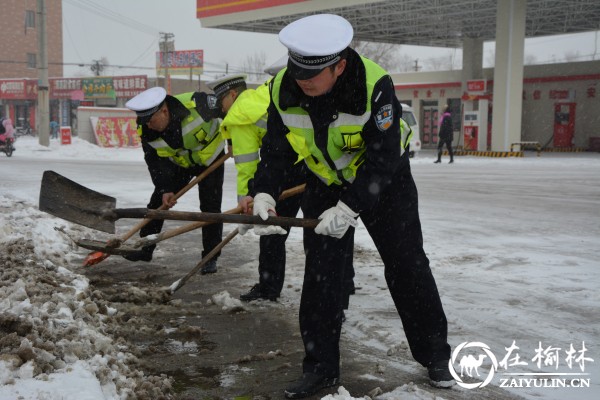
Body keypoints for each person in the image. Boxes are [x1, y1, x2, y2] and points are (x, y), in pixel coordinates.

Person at [240, 14, 454, 398]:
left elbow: (384, 157)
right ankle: (320, 368)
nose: (302, 81)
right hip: (323, 181)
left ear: (339, 66)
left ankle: (435, 354)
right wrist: (264, 192)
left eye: (313, 74)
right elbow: (275, 151)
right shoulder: (283, 90)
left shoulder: (374, 86)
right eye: (296, 70)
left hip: (385, 184)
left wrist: (349, 207)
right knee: (322, 276)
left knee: (407, 265)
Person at [209, 72, 356, 305]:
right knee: (325, 229)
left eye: (221, 99)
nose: (220, 106)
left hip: (284, 168)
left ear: (233, 94)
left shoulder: (239, 114)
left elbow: (247, 164)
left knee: (271, 228)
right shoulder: (266, 93)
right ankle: (341, 285)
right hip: (316, 162)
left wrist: (249, 197)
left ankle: (269, 286)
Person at [125, 87, 226, 274]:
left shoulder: (200, 104)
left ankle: (210, 257)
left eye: (151, 120)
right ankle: (145, 248)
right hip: (180, 164)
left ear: (164, 111)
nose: (148, 125)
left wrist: (235, 137)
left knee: (210, 208)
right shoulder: (145, 129)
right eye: (144, 121)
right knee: (157, 203)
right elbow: (154, 161)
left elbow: (230, 110)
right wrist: (165, 189)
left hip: (211, 159)